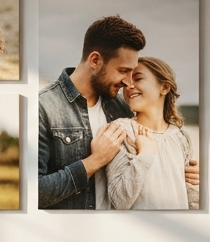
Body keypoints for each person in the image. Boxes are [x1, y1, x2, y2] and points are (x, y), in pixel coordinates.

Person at [39, 16, 199, 210]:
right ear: (95, 60)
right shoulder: (44, 107)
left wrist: (190, 175)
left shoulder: (122, 106)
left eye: (133, 73)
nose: (128, 83)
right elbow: (33, 192)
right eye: (123, 71)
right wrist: (95, 161)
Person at [104, 58, 199, 210]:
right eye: (126, 82)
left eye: (138, 78)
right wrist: (145, 156)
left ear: (164, 87)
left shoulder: (181, 137)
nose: (130, 86)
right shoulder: (121, 131)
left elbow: (190, 194)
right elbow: (119, 201)